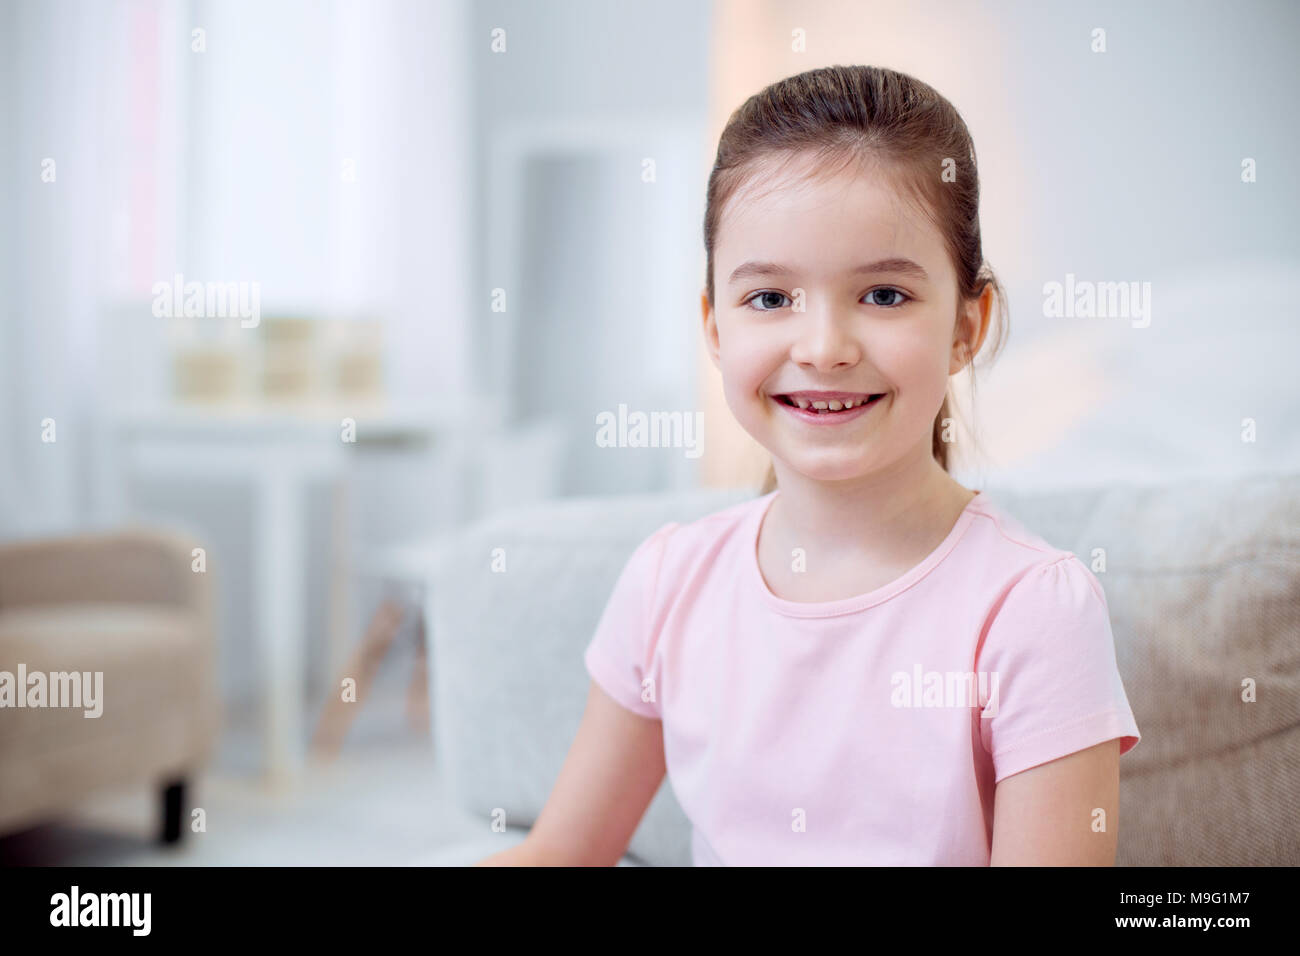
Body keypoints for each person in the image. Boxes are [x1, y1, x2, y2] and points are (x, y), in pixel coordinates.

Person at [478, 64, 1140, 866]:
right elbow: (562, 855)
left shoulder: (1034, 610)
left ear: (969, 325)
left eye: (885, 295)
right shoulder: (666, 585)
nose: (824, 348)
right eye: (770, 299)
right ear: (715, 326)